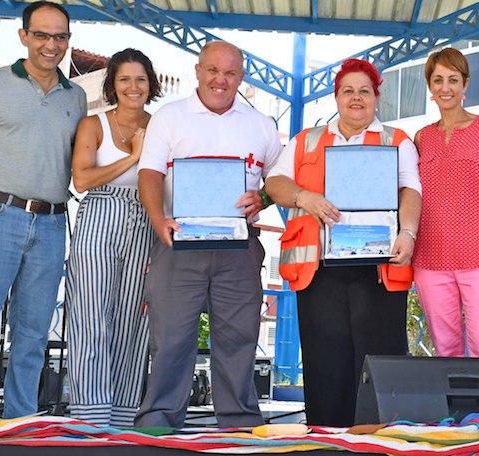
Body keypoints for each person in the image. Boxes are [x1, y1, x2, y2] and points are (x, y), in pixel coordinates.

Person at [0, 1, 86, 419]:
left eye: (59, 36)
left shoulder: (76, 97)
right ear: (24, 36)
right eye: (41, 35)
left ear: (67, 41)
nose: (51, 44)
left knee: (33, 331)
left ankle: (20, 418)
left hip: (52, 222)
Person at [264, 58, 422, 427]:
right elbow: (275, 183)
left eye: (364, 91)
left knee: (379, 366)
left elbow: (410, 188)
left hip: (379, 268)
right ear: (336, 97)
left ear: (376, 98)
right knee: (324, 363)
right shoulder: (307, 140)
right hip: (320, 271)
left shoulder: (396, 140)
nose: (356, 98)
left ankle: (377, 442)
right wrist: (305, 197)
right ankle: (325, 441)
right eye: (348, 91)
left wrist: (409, 232)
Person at [135, 41, 281, 429]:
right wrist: (157, 219)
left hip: (239, 247)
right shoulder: (170, 117)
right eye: (213, 70)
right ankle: (159, 419)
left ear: (242, 78)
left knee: (238, 336)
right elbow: (149, 173)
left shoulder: (262, 125)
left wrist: (263, 197)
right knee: (171, 335)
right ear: (198, 71)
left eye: (230, 73)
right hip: (177, 242)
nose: (221, 79)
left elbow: (279, 180)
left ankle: (238, 420)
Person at [65, 48, 162, 427]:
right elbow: (82, 179)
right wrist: (133, 156)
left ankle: (120, 415)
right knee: (90, 316)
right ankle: (90, 415)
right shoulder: (94, 125)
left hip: (144, 217)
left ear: (150, 84)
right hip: (100, 214)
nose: (132, 87)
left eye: (140, 79)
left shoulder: (162, 125)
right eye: (124, 79)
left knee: (132, 323)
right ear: (112, 84)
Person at [411, 48, 479, 358]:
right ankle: (454, 410)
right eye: (438, 80)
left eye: (453, 80)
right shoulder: (421, 137)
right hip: (430, 258)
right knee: (445, 349)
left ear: (465, 84)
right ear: (430, 86)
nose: (446, 88)